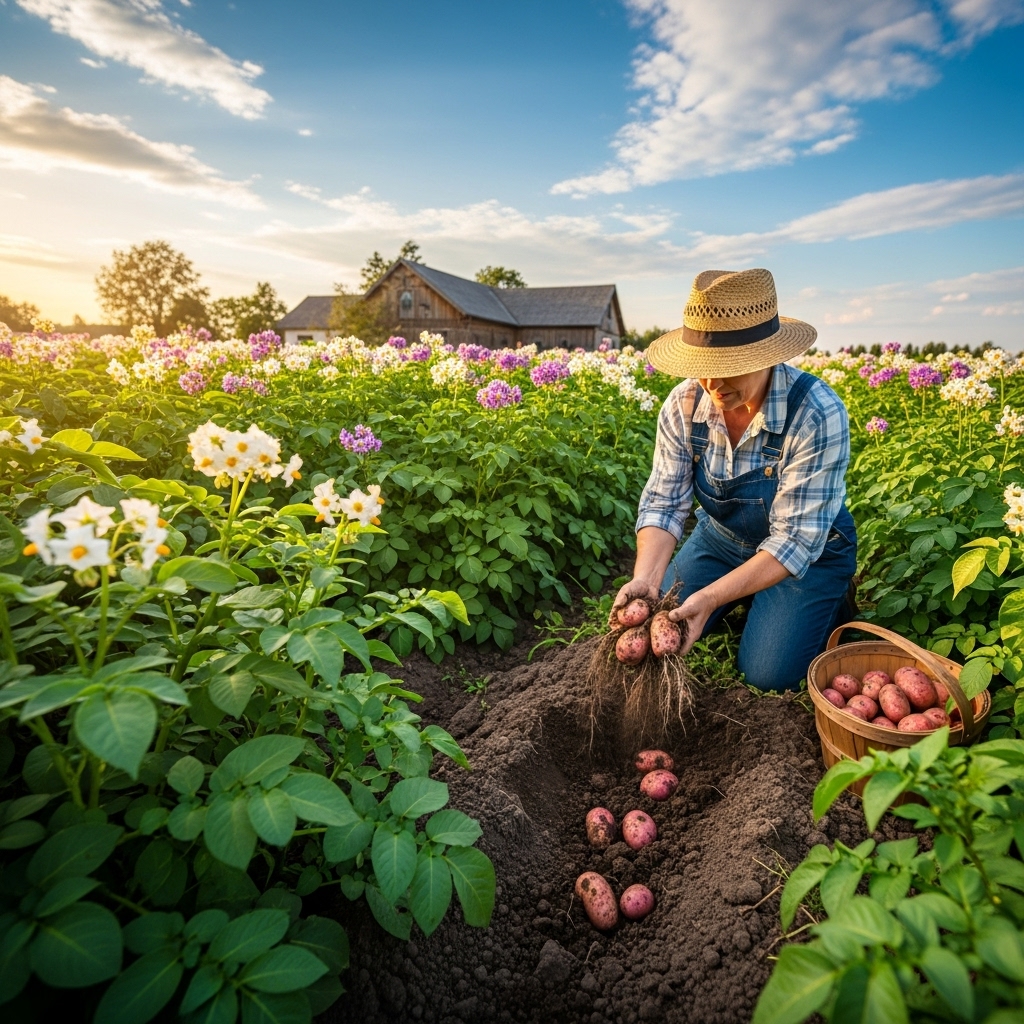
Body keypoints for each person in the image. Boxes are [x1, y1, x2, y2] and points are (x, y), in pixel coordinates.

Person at [610, 268, 857, 691]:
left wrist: (710, 598)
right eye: (704, 367)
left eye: (729, 367)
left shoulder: (816, 412)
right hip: (722, 538)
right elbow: (664, 503)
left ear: (767, 356)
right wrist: (647, 582)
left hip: (805, 556)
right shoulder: (684, 403)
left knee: (766, 674)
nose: (713, 383)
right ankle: (746, 596)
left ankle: (823, 600)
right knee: (660, 619)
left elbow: (794, 540)